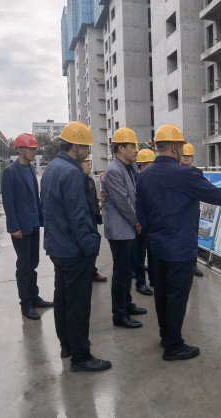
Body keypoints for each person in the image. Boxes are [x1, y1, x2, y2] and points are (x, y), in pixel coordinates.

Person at [136, 124, 221, 361]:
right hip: (179, 248)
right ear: (175, 148)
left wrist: (152, 236)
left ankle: (165, 335)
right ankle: (173, 346)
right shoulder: (184, 174)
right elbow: (214, 194)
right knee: (177, 296)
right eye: (181, 147)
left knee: (161, 294)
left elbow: (141, 214)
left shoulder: (144, 176)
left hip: (156, 247)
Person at [41, 122, 111, 373]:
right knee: (78, 305)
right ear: (75, 146)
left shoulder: (51, 168)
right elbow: (78, 217)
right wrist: (91, 245)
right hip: (74, 250)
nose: (87, 152)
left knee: (62, 300)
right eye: (85, 147)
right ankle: (81, 357)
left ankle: (67, 346)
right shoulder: (72, 173)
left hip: (57, 248)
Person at [1, 134, 53, 321]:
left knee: (33, 264)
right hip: (20, 229)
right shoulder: (10, 172)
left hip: (33, 225)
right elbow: (8, 202)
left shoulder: (30, 169)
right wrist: (13, 227)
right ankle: (26, 304)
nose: (34, 152)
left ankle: (34, 297)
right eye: (31, 148)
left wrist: (41, 219)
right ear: (20, 150)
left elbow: (35, 197)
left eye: (34, 148)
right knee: (24, 266)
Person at [102, 127, 148, 330]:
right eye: (132, 146)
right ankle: (119, 315)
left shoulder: (127, 168)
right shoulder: (114, 170)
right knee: (121, 274)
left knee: (127, 271)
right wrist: (137, 222)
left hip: (127, 229)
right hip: (121, 230)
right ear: (120, 148)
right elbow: (123, 201)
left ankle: (127, 304)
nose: (136, 150)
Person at [179, 142, 204, 278]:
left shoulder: (197, 172)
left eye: (189, 155)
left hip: (194, 209)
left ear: (193, 157)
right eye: (184, 155)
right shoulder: (175, 171)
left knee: (194, 237)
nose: (186, 157)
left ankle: (193, 264)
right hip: (179, 210)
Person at [81, 159, 107, 283]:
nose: (90, 167)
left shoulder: (90, 180)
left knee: (94, 245)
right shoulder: (77, 181)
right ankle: (86, 272)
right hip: (83, 219)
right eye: (87, 164)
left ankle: (92, 270)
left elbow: (94, 201)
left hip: (92, 218)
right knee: (86, 246)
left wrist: (97, 216)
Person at [134, 149, 156, 290]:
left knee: (153, 253)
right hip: (140, 223)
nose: (152, 167)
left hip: (153, 221)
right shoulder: (136, 178)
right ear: (142, 165)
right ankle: (140, 282)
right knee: (140, 254)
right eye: (150, 164)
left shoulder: (154, 178)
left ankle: (154, 279)